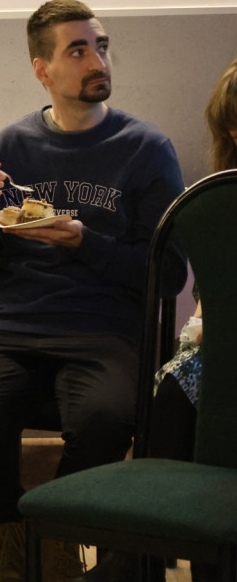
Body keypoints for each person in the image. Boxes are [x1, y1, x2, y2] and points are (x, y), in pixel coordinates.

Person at [0, 0, 187, 581]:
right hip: (13, 325)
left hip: (103, 328)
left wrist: (85, 242)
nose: (96, 61)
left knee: (107, 417)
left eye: (101, 46)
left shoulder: (145, 148)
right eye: (78, 50)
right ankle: (8, 527)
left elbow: (171, 273)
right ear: (43, 70)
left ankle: (52, 528)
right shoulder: (14, 141)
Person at [147, 58, 237, 582]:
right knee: (175, 390)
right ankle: (155, 547)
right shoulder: (217, 200)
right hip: (223, 345)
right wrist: (198, 328)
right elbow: (210, 293)